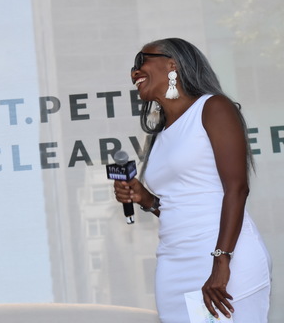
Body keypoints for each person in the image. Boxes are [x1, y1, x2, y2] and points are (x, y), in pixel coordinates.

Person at [114, 38, 271, 322]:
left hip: (224, 258)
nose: (134, 72)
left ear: (172, 64)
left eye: (141, 61)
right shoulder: (159, 136)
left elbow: (237, 188)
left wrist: (222, 261)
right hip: (173, 265)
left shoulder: (213, 107)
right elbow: (179, 205)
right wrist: (145, 198)